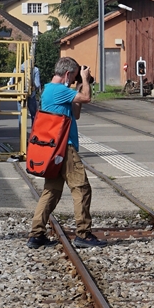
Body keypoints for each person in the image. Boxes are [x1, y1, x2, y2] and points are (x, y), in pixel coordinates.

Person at [28, 57, 106, 250]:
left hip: (54, 148)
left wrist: (79, 85)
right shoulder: (59, 90)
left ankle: (36, 234)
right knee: (81, 188)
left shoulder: (50, 90)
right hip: (65, 147)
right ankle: (83, 233)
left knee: (51, 192)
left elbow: (76, 112)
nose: (73, 81)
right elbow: (87, 98)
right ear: (67, 73)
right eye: (73, 77)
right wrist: (86, 80)